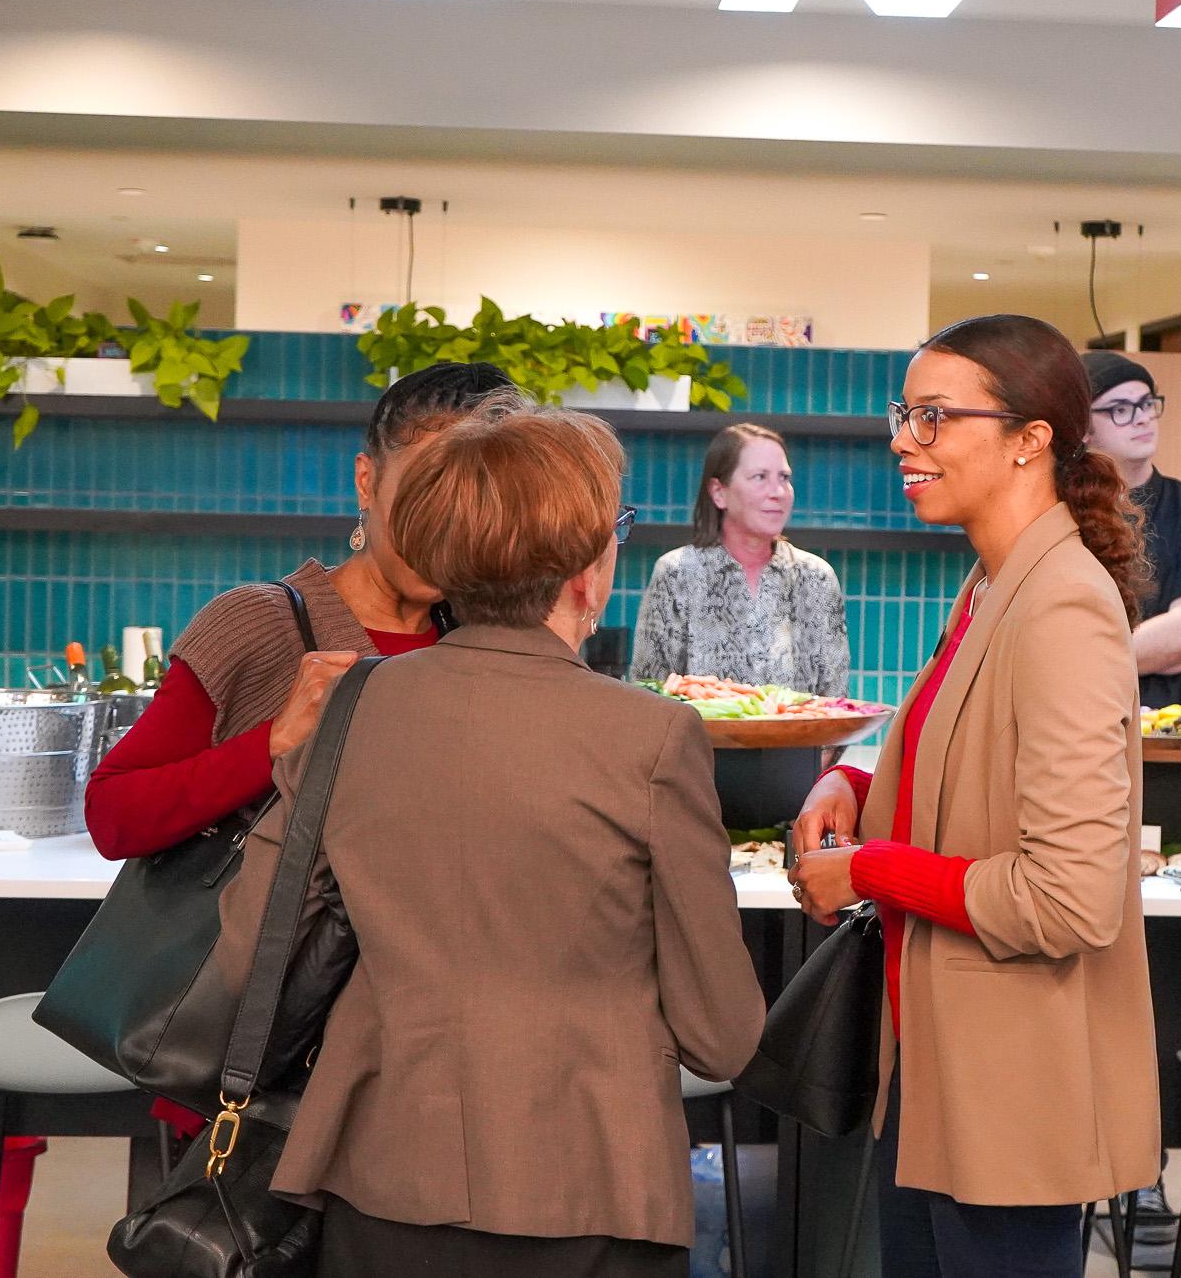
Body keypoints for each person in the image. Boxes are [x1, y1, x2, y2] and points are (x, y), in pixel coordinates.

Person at [235, 406, 766, 1278]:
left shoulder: (349, 707)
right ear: (587, 574)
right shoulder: (655, 736)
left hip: (378, 1166)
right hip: (593, 1181)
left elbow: (255, 937)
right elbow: (722, 1032)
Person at [787, 315, 1160, 1276]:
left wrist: (868, 865)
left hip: (1011, 1093)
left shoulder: (1063, 604)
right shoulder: (992, 585)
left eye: (935, 417)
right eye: (904, 414)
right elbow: (963, 771)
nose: (904, 440)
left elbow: (1068, 896)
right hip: (939, 1066)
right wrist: (854, 782)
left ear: (1031, 438)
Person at [83, 360, 519, 1138]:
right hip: (252, 1087)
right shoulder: (259, 622)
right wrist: (275, 740)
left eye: (472, 497)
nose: (444, 522)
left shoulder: (484, 646)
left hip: (414, 1084)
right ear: (365, 480)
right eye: (424, 490)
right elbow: (114, 814)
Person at [1083, 350, 1181, 823]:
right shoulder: (1056, 513)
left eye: (1147, 403)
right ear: (1083, 427)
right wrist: (1155, 647)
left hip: (1177, 750)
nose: (1142, 418)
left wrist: (1073, 666)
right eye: (1119, 408)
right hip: (1082, 746)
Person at [629, 422, 850, 695]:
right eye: (760, 477)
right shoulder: (677, 573)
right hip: (703, 739)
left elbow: (836, 700)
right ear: (719, 492)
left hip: (800, 738)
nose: (778, 492)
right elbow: (648, 690)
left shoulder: (816, 577)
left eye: (784, 478)